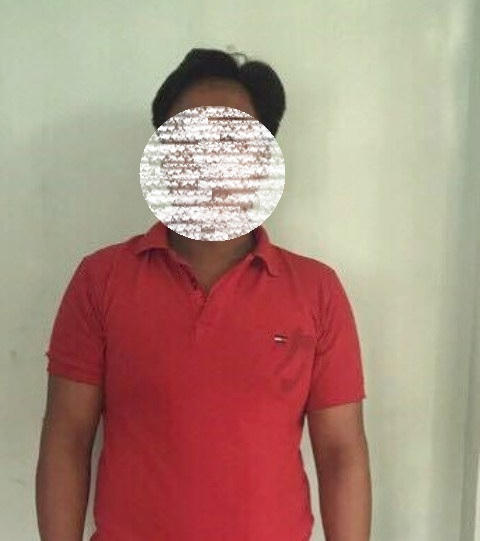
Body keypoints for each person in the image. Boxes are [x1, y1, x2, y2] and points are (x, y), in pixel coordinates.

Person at [35, 48, 372, 540]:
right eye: (191, 138)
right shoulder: (100, 279)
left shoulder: (317, 290)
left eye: (232, 139)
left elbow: (342, 453)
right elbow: (67, 437)